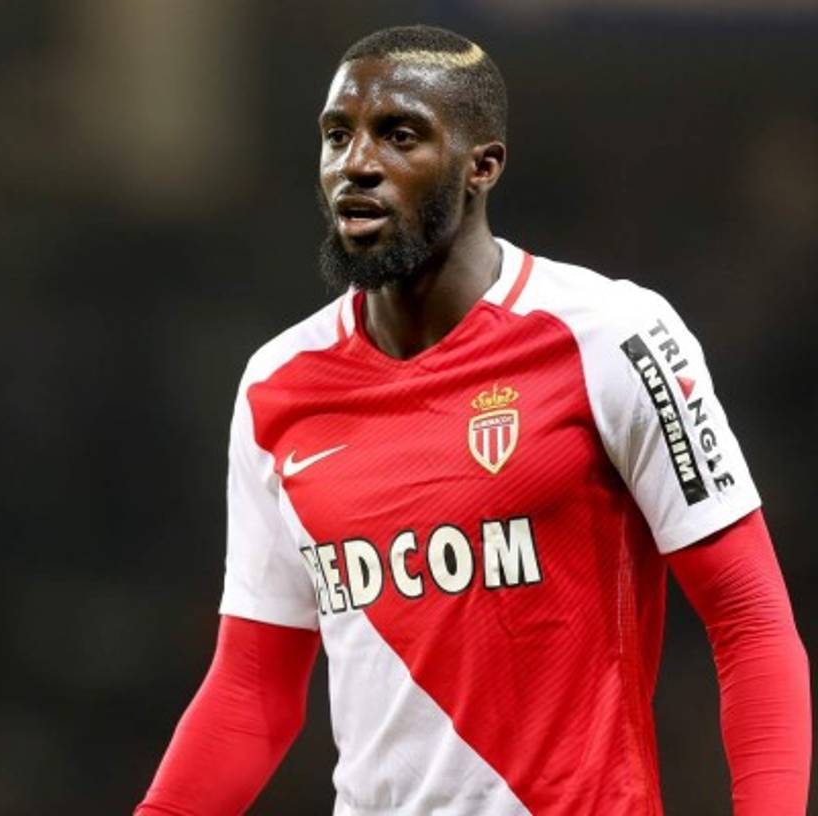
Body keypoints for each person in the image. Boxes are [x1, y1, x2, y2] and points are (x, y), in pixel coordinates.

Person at [135, 25, 810, 816]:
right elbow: (252, 689)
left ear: (481, 165)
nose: (356, 163)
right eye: (336, 135)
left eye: (398, 134)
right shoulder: (276, 387)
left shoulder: (611, 334)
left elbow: (750, 624)